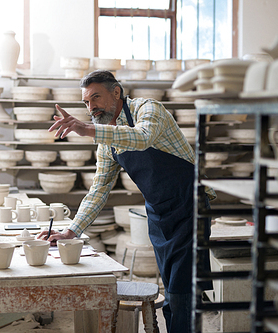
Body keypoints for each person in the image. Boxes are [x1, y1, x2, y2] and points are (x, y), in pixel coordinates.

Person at [38, 70, 215, 333]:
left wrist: (88, 129)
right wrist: (70, 231)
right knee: (172, 288)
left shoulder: (148, 108)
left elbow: (142, 138)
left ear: (117, 92)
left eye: (96, 98)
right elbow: (99, 189)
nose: (91, 107)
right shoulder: (107, 141)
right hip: (159, 213)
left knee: (182, 291)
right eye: (86, 102)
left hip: (190, 206)